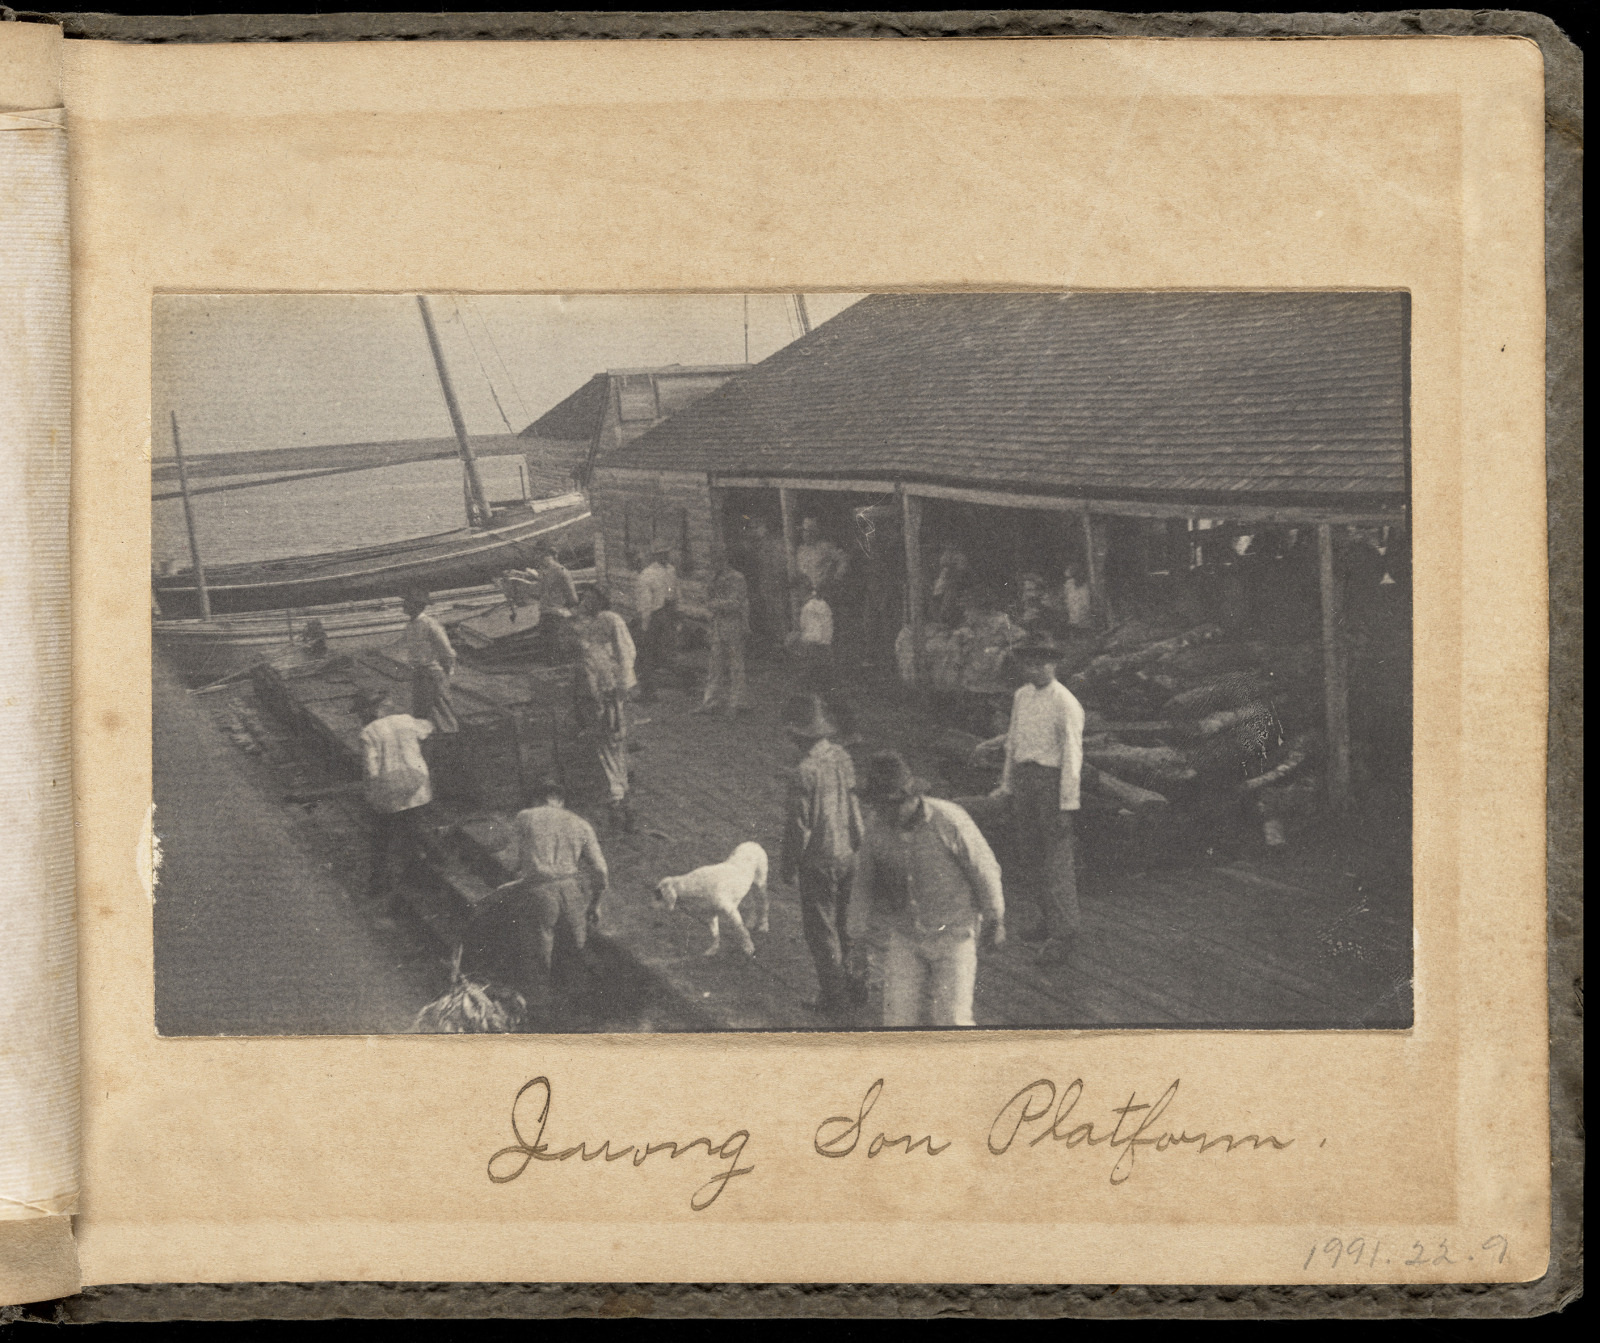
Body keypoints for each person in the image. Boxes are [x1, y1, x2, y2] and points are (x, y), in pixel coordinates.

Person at [848, 751, 1005, 1028]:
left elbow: (985, 869)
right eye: (877, 804)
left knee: (952, 1019)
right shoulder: (876, 828)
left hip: (954, 934)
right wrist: (857, 938)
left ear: (912, 798)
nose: (883, 811)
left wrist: (995, 918)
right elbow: (863, 883)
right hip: (906, 935)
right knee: (896, 1019)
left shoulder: (950, 820)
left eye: (891, 804)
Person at [963, 637, 1084, 966]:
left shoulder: (1066, 702)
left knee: (1057, 859)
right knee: (1030, 856)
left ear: (1053, 664)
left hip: (1051, 783)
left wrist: (1067, 803)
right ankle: (1048, 919)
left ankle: (1065, 934)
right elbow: (1014, 743)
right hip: (1026, 781)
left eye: (1042, 662)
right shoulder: (1022, 696)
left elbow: (1073, 757)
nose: (1036, 669)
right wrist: (1006, 784)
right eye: (1030, 663)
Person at [779, 694, 865, 1019]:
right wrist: (860, 845)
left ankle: (835, 998)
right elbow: (855, 809)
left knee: (821, 931)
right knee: (846, 925)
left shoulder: (804, 772)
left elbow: (799, 827)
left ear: (798, 736)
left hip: (819, 860)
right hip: (849, 853)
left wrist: (788, 865)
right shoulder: (842, 757)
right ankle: (856, 985)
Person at [492, 777, 610, 1011]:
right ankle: (580, 1009)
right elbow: (600, 870)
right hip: (571, 891)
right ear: (560, 801)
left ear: (538, 799)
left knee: (539, 953)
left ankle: (540, 1009)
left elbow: (511, 862)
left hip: (538, 892)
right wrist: (595, 904)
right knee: (575, 948)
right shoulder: (581, 823)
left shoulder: (526, 817)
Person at [357, 694, 437, 925]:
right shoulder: (406, 720)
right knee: (413, 825)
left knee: (382, 836)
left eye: (363, 711)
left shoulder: (367, 733)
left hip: (389, 788)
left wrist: (371, 796)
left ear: (373, 710)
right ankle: (422, 869)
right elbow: (429, 729)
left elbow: (371, 770)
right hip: (416, 782)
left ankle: (379, 882)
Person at [571, 586, 636, 832]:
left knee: (608, 749)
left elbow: (625, 654)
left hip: (605, 702)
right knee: (615, 747)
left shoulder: (609, 624)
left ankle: (617, 804)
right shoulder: (598, 645)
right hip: (607, 700)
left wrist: (621, 687)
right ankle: (622, 793)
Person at [697, 546, 751, 716]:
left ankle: (738, 702)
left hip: (733, 622)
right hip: (718, 624)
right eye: (713, 562)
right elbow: (706, 598)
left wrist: (714, 605)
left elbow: (736, 602)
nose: (714, 565)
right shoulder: (713, 578)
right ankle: (711, 702)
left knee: (735, 664)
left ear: (724, 561)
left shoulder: (737, 578)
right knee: (715, 665)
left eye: (717, 561)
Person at [399, 589, 459, 733]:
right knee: (422, 711)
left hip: (432, 673)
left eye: (407, 603)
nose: (403, 606)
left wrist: (444, 675)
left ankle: (451, 739)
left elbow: (448, 653)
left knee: (442, 710)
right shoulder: (410, 626)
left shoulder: (430, 624)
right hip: (418, 673)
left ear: (417, 605)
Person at [635, 543, 681, 699]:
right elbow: (646, 603)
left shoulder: (669, 570)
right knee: (651, 653)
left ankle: (650, 690)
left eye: (666, 553)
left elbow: (675, 593)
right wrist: (646, 622)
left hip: (662, 615)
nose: (665, 556)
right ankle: (649, 690)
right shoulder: (648, 574)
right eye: (661, 554)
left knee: (651, 653)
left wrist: (645, 626)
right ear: (655, 556)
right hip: (656, 615)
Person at [748, 517, 793, 650]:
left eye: (757, 527)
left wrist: (780, 579)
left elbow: (782, 563)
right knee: (770, 611)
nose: (755, 531)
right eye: (752, 528)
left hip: (777, 582)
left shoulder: (777, 542)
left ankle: (785, 641)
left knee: (781, 611)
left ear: (765, 527)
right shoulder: (759, 545)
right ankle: (777, 641)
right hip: (766, 582)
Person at [795, 516, 848, 605]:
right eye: (804, 531)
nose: (806, 534)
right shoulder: (800, 550)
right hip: (805, 598)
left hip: (824, 596)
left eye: (809, 531)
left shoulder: (825, 547)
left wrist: (836, 579)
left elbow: (843, 559)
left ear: (815, 532)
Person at [532, 541, 580, 611]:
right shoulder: (560, 571)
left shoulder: (557, 571)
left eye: (540, 555)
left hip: (553, 614)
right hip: (552, 613)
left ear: (548, 555)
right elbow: (574, 599)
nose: (537, 558)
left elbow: (573, 599)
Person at [932, 543, 971, 627]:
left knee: (950, 597)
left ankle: (949, 618)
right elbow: (943, 564)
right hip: (948, 580)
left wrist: (953, 571)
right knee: (939, 596)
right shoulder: (946, 555)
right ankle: (941, 618)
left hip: (957, 581)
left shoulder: (960, 556)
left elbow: (962, 569)